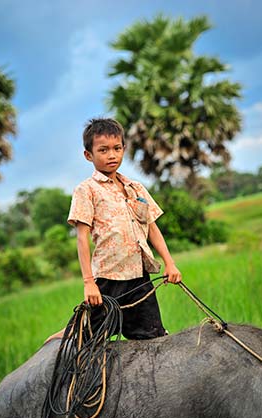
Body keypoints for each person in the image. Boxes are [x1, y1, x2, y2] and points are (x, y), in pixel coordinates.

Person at [46, 118, 181, 342]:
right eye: (103, 150)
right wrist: (89, 283)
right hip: (108, 282)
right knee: (82, 340)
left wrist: (169, 262)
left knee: (154, 341)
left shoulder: (135, 187)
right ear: (88, 155)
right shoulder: (86, 190)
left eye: (117, 148)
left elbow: (152, 228)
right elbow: (82, 238)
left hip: (140, 279)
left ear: (124, 149)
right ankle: (55, 345)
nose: (112, 155)